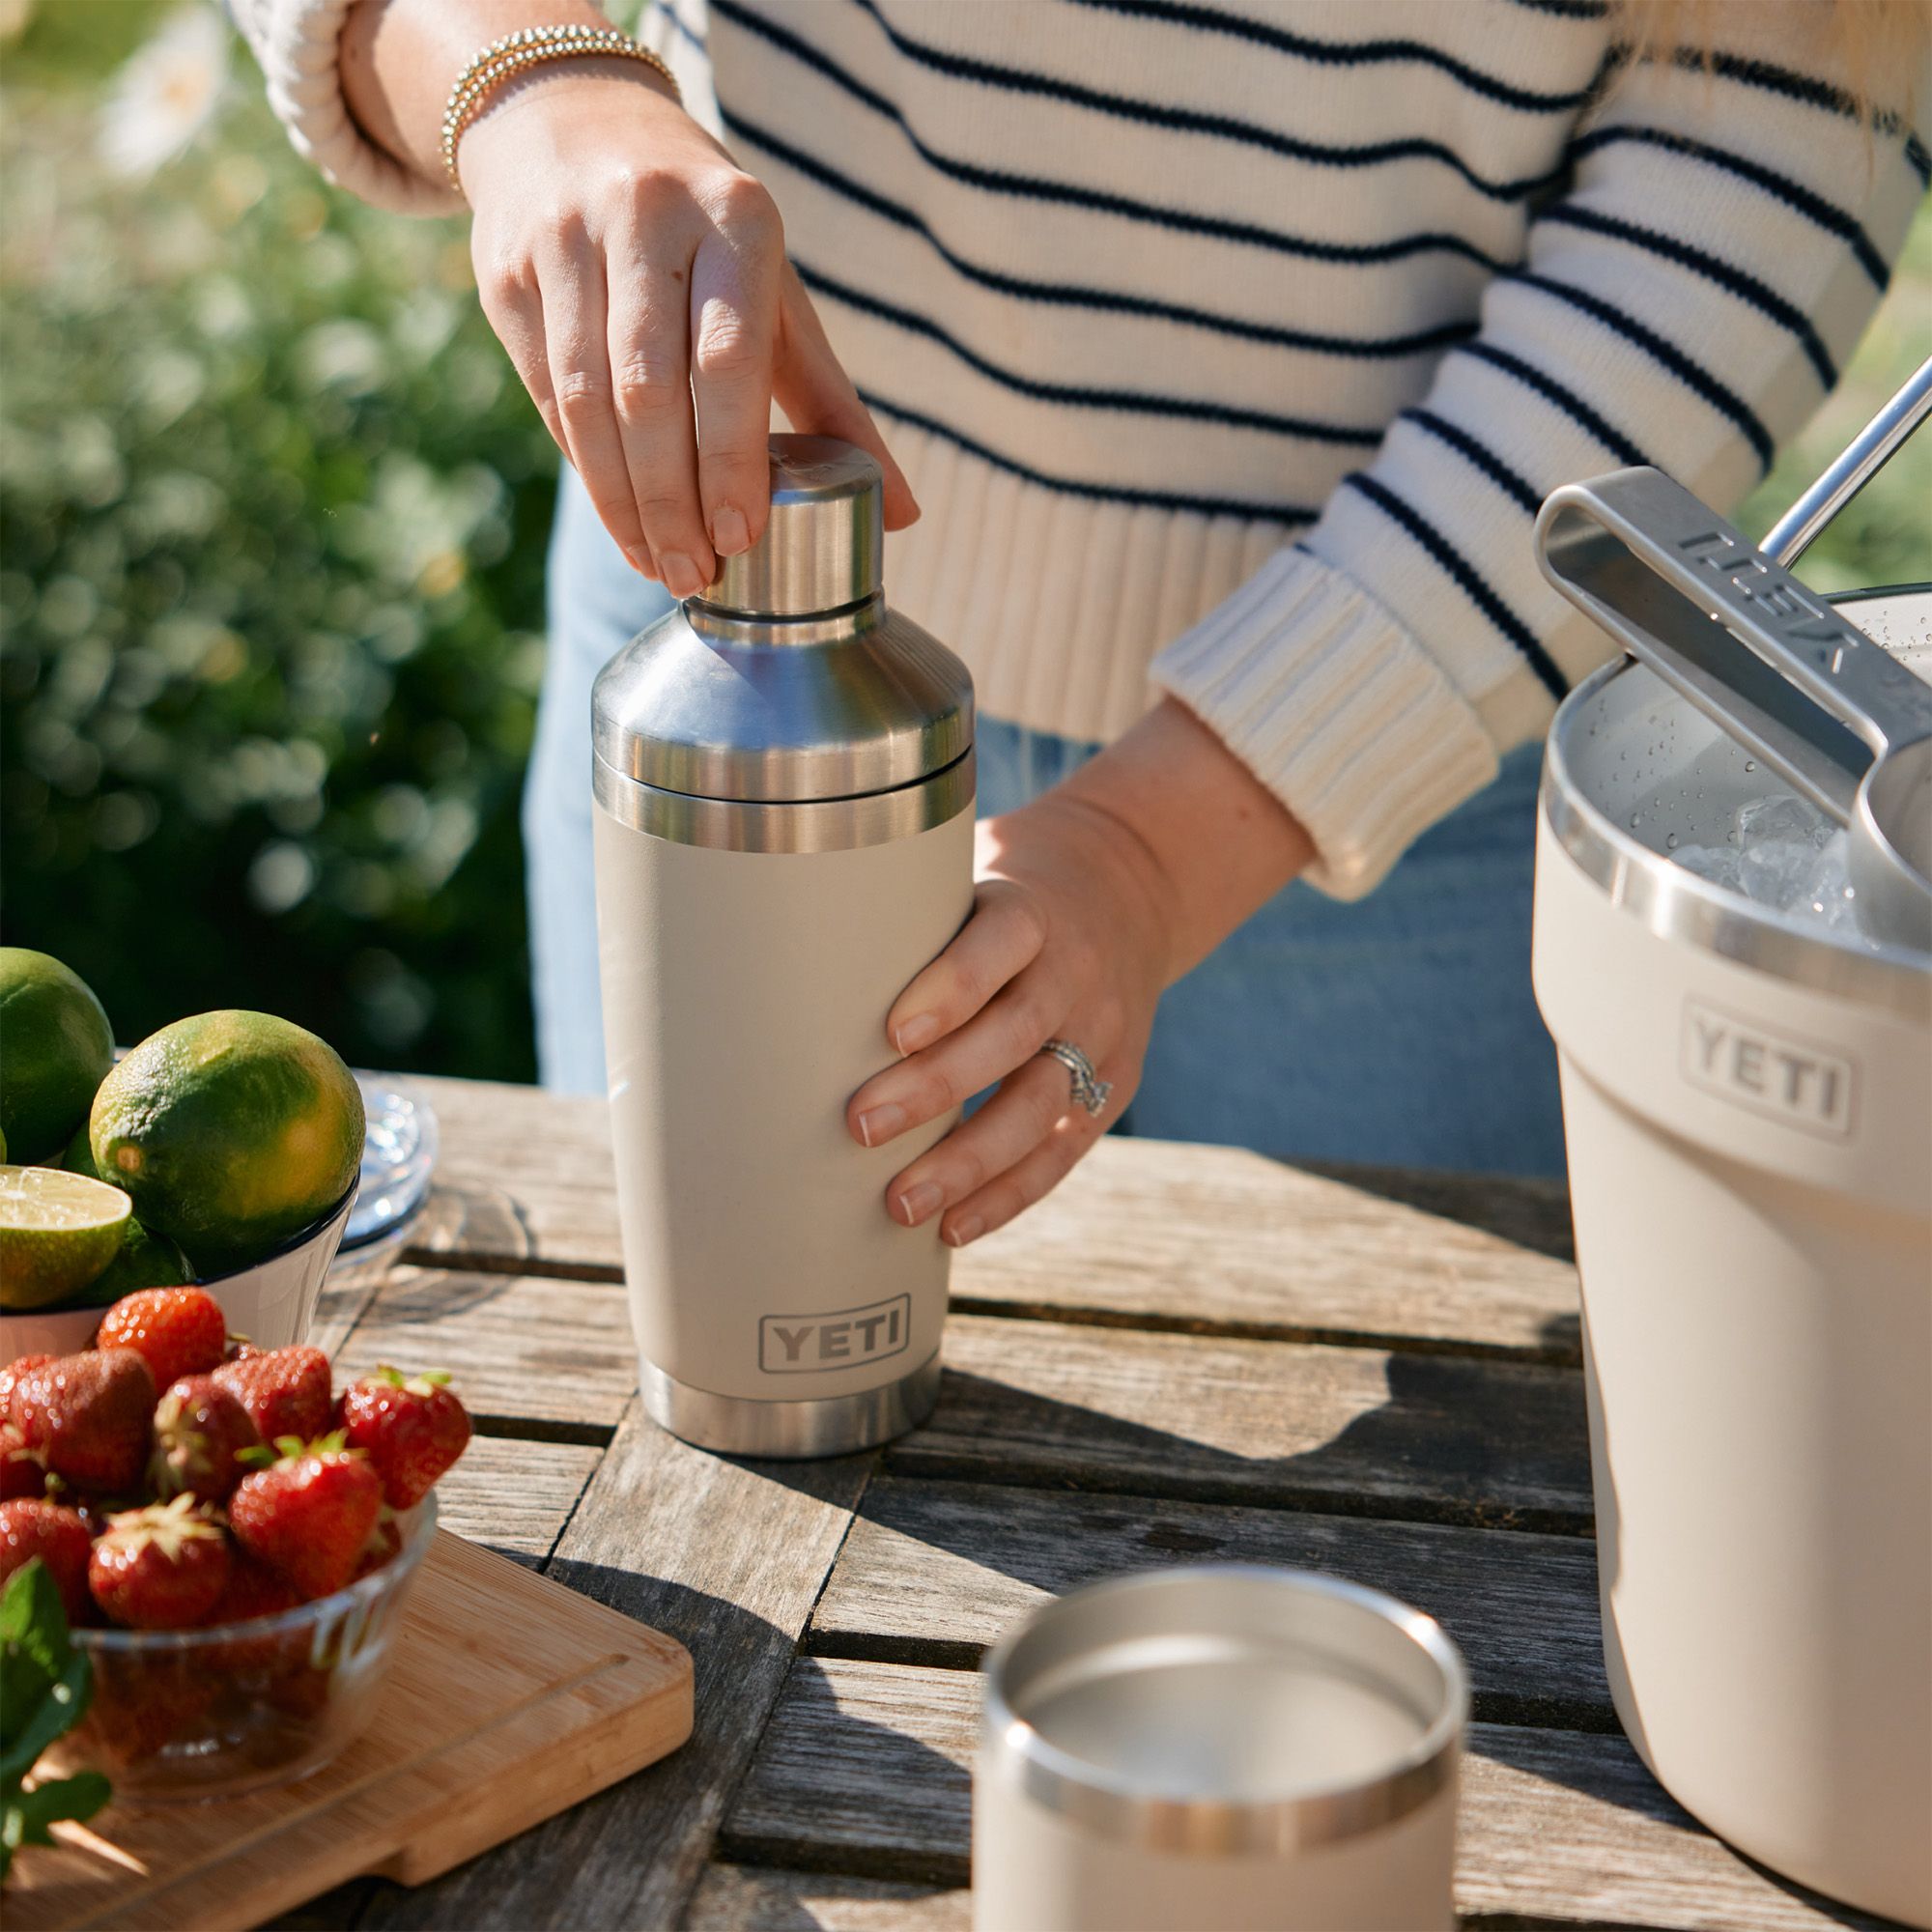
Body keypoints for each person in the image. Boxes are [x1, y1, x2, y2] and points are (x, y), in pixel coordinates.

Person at [236, 0, 1927, 1240]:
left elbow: (1778, 137)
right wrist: (529, 77)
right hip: (720, 658)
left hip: (1414, 763)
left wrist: (1155, 846)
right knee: (718, 1498)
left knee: (1416, 1605)